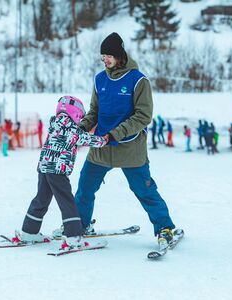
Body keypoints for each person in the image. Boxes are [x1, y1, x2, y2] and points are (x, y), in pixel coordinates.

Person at [73, 32, 176, 247]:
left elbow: (143, 116)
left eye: (109, 55)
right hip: (100, 148)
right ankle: (79, 225)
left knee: (145, 191)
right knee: (85, 188)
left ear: (120, 55)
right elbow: (94, 111)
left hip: (130, 148)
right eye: (103, 57)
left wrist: (115, 134)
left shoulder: (138, 80)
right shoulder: (100, 79)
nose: (105, 60)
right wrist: (81, 127)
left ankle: (165, 228)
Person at [16, 95, 107, 250]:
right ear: (76, 113)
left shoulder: (55, 124)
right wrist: (103, 140)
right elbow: (84, 138)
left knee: (41, 199)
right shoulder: (70, 127)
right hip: (57, 171)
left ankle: (29, 231)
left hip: (44, 168)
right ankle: (73, 237)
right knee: (67, 202)